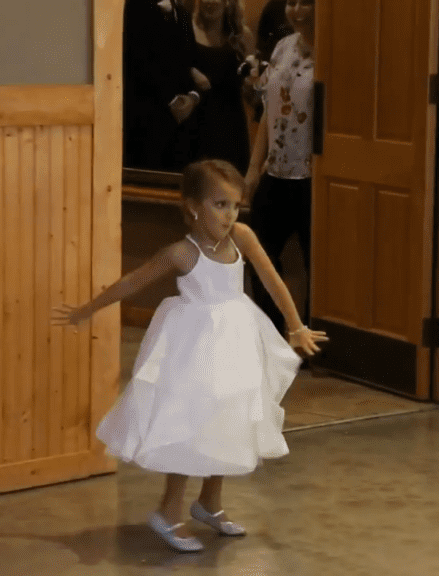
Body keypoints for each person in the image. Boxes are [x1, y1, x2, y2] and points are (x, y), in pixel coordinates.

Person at [52, 159, 328, 553]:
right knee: (192, 425)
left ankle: (209, 503)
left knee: (227, 420)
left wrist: (295, 324)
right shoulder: (182, 252)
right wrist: (88, 309)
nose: (229, 215)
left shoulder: (243, 238)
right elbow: (133, 280)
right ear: (193, 207)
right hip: (195, 345)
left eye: (234, 205)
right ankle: (167, 511)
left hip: (237, 338)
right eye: (219, 205)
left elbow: (271, 278)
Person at [245, 0, 315, 335]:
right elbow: (268, 113)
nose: (297, 11)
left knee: (318, 265)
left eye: (307, 3)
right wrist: (253, 167)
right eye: (292, 2)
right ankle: (270, 336)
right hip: (276, 173)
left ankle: (313, 342)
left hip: (313, 178)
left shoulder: (335, 52)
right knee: (258, 255)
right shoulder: (282, 47)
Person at [123, 0, 201, 171]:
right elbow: (137, 59)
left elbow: (190, 62)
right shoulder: (134, 8)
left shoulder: (182, 14)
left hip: (181, 127)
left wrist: (193, 96)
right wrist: (172, 100)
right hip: (145, 122)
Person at [179, 0, 254, 172]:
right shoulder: (184, 29)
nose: (210, 2)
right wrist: (189, 71)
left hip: (231, 131)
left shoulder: (243, 36)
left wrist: (254, 88)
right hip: (193, 129)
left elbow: (250, 88)